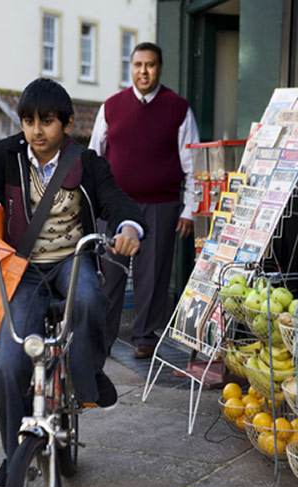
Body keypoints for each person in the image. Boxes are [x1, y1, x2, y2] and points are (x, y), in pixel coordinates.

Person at [0, 78, 147, 487]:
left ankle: (89, 374)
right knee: (7, 365)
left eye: (47, 121)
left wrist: (128, 226)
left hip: (71, 261)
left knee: (92, 299)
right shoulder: (6, 156)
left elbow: (116, 201)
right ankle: (15, 454)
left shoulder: (88, 162)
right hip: (25, 270)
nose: (36, 131)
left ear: (68, 123)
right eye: (28, 121)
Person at [89, 42, 200, 359]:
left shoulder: (178, 108)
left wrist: (189, 209)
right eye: (138, 65)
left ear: (159, 68)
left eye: (150, 65)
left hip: (161, 204)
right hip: (112, 205)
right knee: (109, 272)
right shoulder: (111, 106)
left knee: (153, 274)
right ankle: (102, 337)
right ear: (131, 67)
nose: (144, 71)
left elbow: (192, 164)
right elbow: (94, 158)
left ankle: (145, 336)